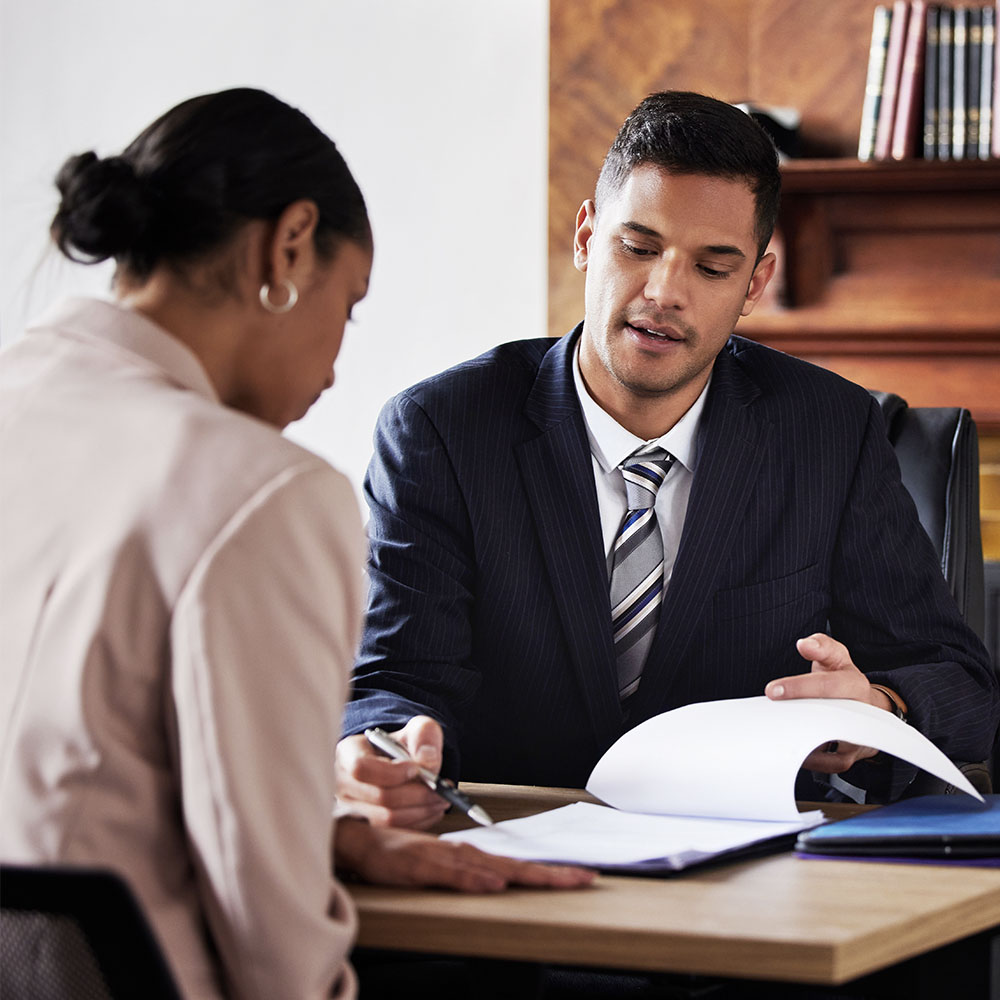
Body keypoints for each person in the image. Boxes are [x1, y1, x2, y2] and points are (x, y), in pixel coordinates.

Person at [0, 88, 592, 1000]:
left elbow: (63, 793)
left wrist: (338, 838)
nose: (333, 364)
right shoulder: (265, 493)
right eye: (347, 306)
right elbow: (272, 936)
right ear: (287, 246)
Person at [337, 90, 998, 829]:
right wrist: (387, 747)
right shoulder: (441, 430)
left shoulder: (831, 434)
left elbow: (965, 688)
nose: (663, 294)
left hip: (748, 875)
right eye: (638, 247)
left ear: (754, 284)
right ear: (587, 236)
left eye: (712, 270)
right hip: (504, 849)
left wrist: (879, 703)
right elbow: (395, 679)